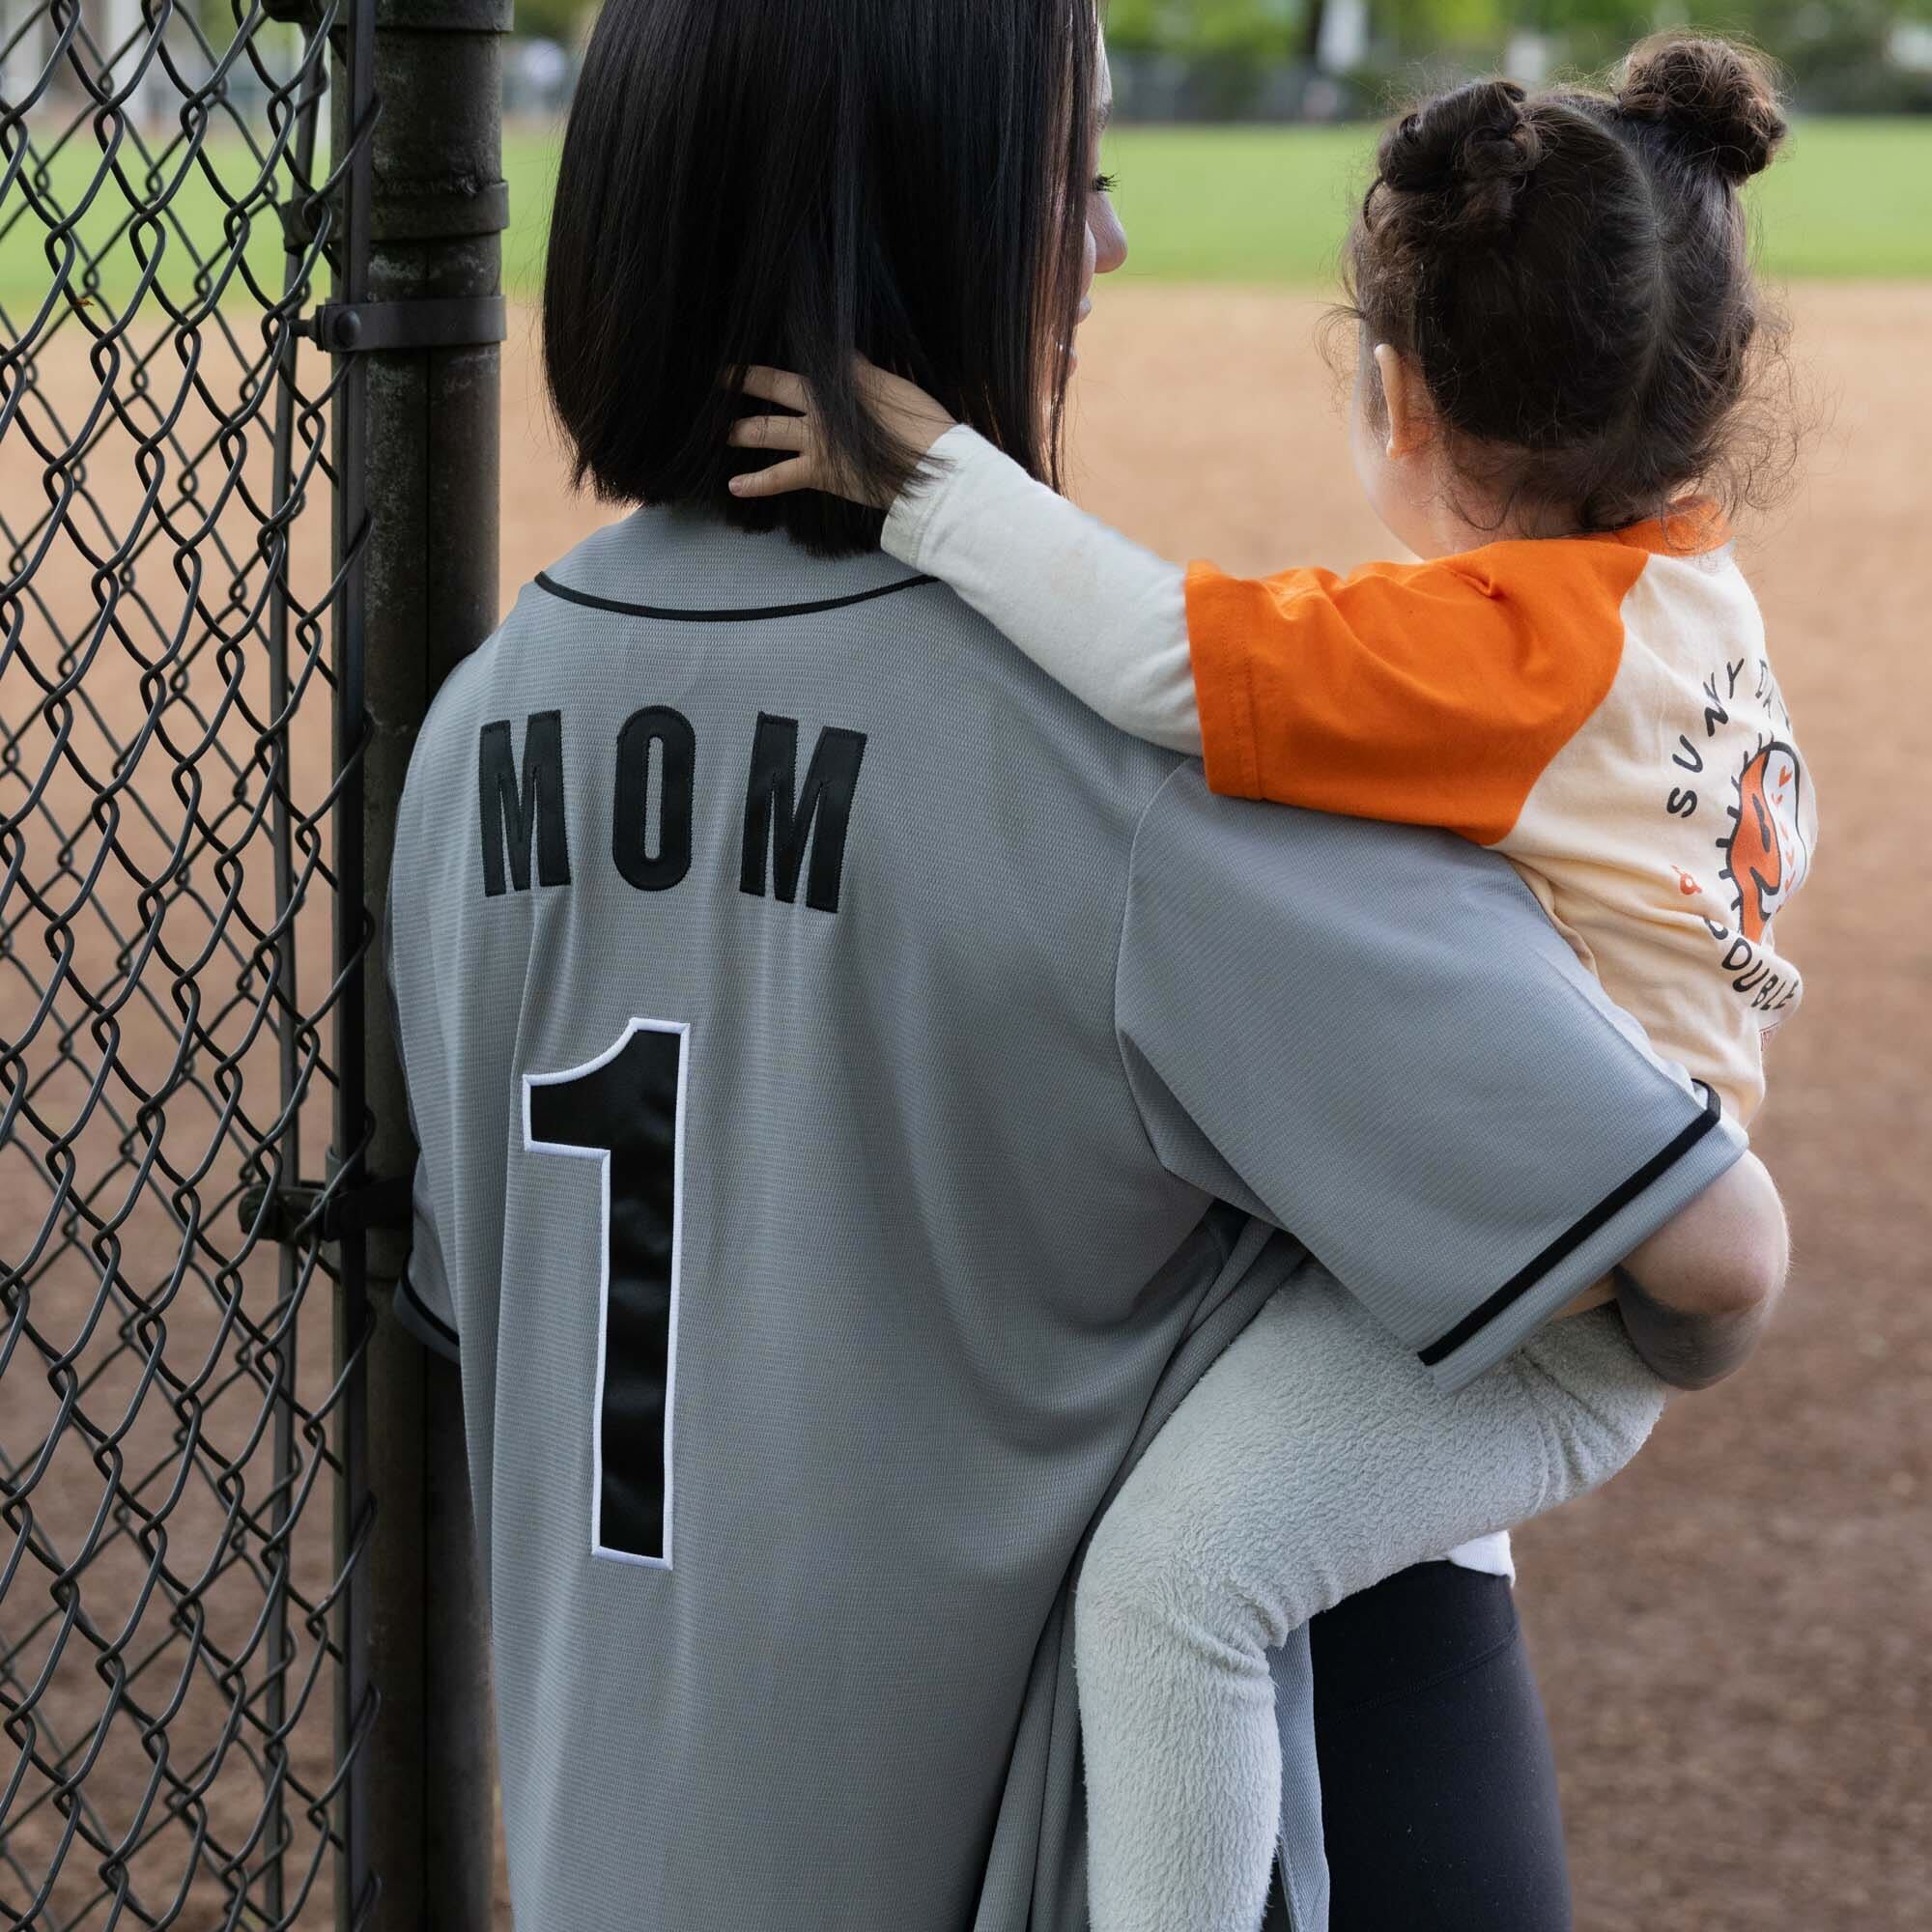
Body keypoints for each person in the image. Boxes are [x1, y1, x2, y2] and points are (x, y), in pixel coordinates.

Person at [383, 8, 1787, 1930]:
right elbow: (1699, 1253)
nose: (1105, 251)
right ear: (924, 228)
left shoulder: (473, 737)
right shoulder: (1131, 787)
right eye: (1078, 181)